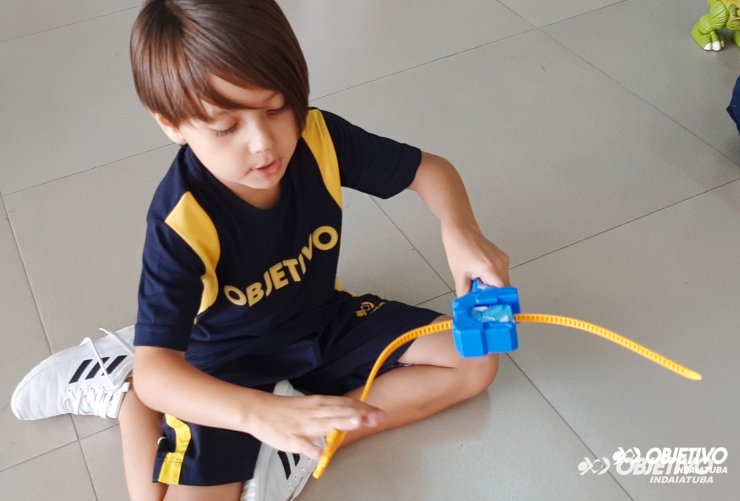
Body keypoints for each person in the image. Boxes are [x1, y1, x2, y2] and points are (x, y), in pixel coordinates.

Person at [11, 1, 510, 500]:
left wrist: (461, 232)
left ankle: (311, 440)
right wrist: (257, 413)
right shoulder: (180, 221)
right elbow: (160, 375)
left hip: (321, 322)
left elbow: (429, 170)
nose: (263, 144)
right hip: (221, 367)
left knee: (476, 362)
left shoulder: (318, 137)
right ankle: (125, 393)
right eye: (225, 127)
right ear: (171, 123)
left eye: (276, 108)